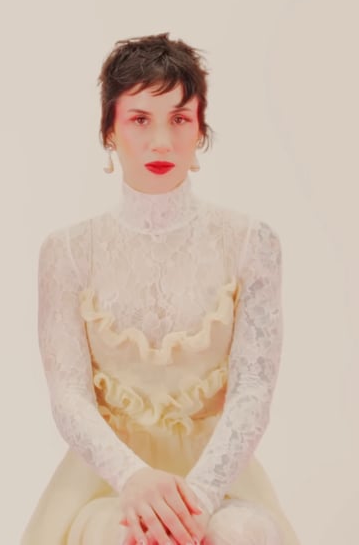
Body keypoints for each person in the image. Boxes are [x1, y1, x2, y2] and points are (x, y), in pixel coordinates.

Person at [22, 34, 300, 545]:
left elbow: (253, 392)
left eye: (179, 119)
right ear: (109, 130)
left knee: (241, 533)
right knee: (122, 536)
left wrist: (197, 501)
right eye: (139, 119)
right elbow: (69, 398)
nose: (161, 142)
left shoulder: (250, 243)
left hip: (221, 477)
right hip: (102, 481)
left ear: (200, 130)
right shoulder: (68, 252)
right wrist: (134, 479)